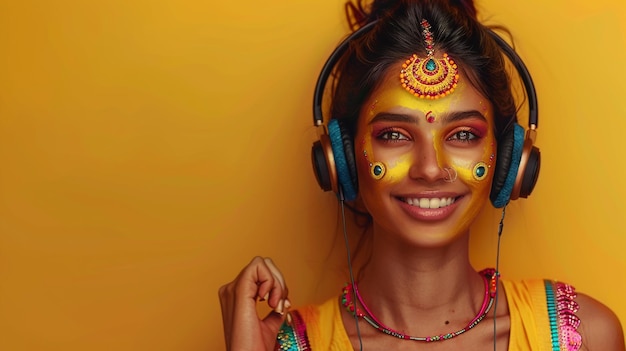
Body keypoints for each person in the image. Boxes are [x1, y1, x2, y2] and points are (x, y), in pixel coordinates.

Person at [219, 0, 625, 350]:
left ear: (510, 158)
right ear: (339, 158)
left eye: (463, 135)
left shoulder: (583, 336)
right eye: (394, 135)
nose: (430, 169)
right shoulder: (283, 344)